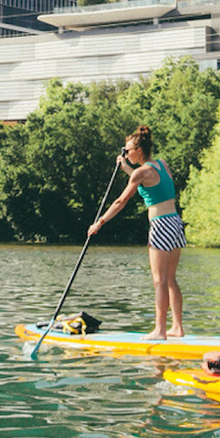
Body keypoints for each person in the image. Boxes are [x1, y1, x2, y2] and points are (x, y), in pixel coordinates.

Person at [88, 125, 186, 340]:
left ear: (139, 151)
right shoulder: (161, 165)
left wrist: (99, 223)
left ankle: (160, 330)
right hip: (176, 223)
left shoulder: (141, 173)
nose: (126, 153)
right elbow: (148, 182)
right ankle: (177, 327)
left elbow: (121, 201)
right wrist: (126, 167)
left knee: (159, 281)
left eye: (128, 150)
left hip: (161, 225)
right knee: (170, 279)